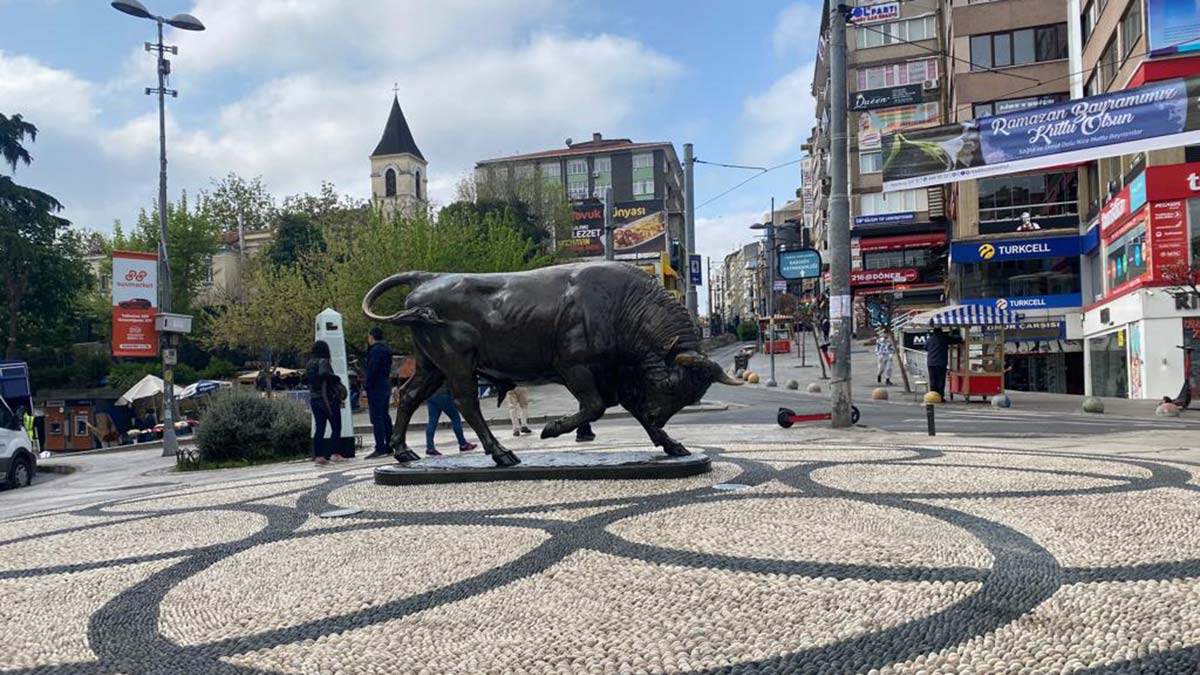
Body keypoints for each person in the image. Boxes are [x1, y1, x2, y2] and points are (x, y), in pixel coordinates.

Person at [304, 340, 346, 465]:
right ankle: (335, 454)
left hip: (314, 398)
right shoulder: (323, 361)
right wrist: (336, 378)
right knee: (336, 427)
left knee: (320, 428)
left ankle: (319, 456)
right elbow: (324, 374)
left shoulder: (309, 363)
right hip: (327, 399)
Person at [363, 326, 395, 459]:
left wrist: (366, 386)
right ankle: (390, 444)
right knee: (385, 415)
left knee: (377, 418)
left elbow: (372, 370)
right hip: (385, 384)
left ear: (372, 337)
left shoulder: (375, 351)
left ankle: (380, 447)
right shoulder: (387, 350)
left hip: (376, 387)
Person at [425, 383, 477, 456]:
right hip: (443, 394)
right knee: (455, 418)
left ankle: (430, 448)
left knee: (432, 421)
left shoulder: (430, 370)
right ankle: (463, 444)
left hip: (430, 395)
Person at [925, 327, 959, 400]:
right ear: (941, 331)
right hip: (941, 363)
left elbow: (925, 347)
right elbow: (957, 339)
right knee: (941, 380)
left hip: (931, 363)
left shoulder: (930, 339)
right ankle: (940, 396)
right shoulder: (944, 338)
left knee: (933, 380)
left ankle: (933, 396)